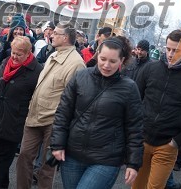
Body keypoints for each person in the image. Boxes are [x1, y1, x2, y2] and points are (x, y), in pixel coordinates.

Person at [50, 36, 143, 189]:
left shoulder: (129, 88)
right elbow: (63, 112)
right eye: (103, 59)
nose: (106, 65)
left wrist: (133, 163)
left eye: (113, 61)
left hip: (106, 160)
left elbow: (135, 128)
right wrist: (57, 143)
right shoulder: (80, 76)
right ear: (97, 54)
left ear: (122, 60)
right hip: (72, 154)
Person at [131, 30, 181, 189]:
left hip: (167, 146)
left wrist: (177, 141)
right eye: (168, 49)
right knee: (137, 186)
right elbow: (134, 100)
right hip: (142, 140)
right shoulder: (150, 69)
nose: (170, 54)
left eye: (176, 50)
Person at [16, 22, 85, 189]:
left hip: (54, 123)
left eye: (56, 33)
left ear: (66, 37)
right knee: (24, 157)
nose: (51, 35)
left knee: (47, 167)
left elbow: (75, 100)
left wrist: (64, 127)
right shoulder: (53, 55)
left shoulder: (77, 63)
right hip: (35, 116)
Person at [0, 36, 43, 189]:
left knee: (4, 154)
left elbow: (36, 98)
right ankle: (2, 184)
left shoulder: (37, 71)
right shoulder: (6, 62)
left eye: (19, 54)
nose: (14, 57)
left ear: (29, 53)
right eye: (13, 53)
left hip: (15, 117)